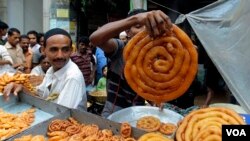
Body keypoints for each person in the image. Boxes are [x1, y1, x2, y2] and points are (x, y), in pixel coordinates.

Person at [89, 9, 172, 118]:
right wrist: (135, 19)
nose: (144, 30)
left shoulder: (152, 58)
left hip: (137, 116)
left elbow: (145, 90)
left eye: (148, 27)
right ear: (128, 32)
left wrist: (155, 101)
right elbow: (95, 39)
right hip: (113, 116)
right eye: (138, 26)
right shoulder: (120, 48)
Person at [3, 28, 87, 111]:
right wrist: (21, 87)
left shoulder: (73, 77)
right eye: (54, 49)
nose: (60, 56)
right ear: (43, 50)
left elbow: (61, 113)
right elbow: (41, 94)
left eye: (65, 50)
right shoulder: (51, 70)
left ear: (71, 51)